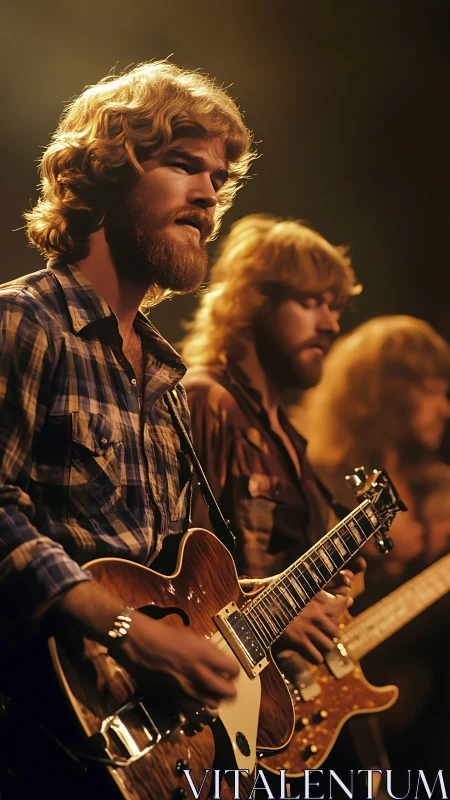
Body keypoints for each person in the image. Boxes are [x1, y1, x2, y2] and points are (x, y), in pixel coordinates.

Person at [0, 60, 256, 798]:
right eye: (184, 165)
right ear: (106, 172)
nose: (209, 194)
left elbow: (166, 580)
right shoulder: (25, 322)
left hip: (141, 751)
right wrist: (125, 633)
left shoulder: (166, 378)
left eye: (218, 178)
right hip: (37, 740)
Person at [181, 214, 370, 794]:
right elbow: (180, 572)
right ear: (252, 301)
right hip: (215, 716)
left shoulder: (289, 437)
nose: (332, 323)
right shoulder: (205, 401)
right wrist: (273, 616)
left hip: (285, 712)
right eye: (313, 302)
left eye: (336, 307)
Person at [295, 315, 450, 778]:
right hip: (331, 705)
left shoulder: (437, 491)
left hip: (423, 711)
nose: (446, 408)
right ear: (387, 390)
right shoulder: (322, 478)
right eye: (433, 390)